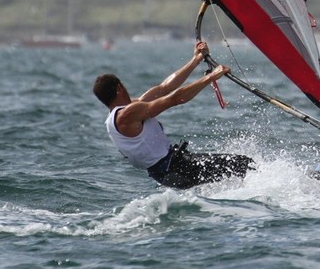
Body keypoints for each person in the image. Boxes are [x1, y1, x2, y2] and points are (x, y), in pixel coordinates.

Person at [92, 40, 255, 189]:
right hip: (175, 168)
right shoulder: (127, 114)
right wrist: (211, 77)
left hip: (169, 171)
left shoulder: (123, 115)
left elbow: (164, 88)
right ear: (120, 88)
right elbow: (176, 98)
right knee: (245, 165)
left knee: (231, 175)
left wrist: (196, 60)